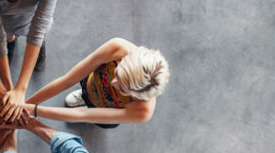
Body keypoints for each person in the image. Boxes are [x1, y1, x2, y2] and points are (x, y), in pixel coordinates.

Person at [21, 37, 170, 128]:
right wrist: (24, 105)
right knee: (85, 86)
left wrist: (33, 110)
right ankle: (84, 94)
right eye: (117, 72)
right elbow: (68, 80)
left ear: (137, 95)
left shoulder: (142, 112)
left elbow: (82, 114)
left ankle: (89, 101)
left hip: (106, 108)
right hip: (90, 82)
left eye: (122, 89)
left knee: (95, 117)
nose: (112, 83)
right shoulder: (118, 48)